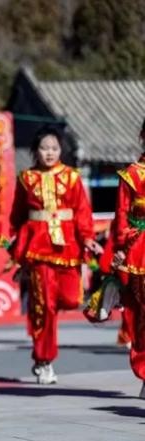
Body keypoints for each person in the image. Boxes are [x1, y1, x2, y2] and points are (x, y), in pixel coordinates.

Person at [9, 125, 100, 384]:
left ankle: (44, 326)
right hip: (38, 248)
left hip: (68, 245)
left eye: (54, 148)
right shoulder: (26, 178)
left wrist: (88, 238)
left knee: (72, 298)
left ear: (61, 150)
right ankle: (44, 359)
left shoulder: (72, 177)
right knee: (44, 305)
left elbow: (82, 211)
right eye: (44, 148)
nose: (49, 153)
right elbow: (17, 214)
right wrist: (14, 240)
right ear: (35, 151)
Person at [109, 118, 145, 397]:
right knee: (141, 312)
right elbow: (122, 215)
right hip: (140, 249)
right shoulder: (132, 175)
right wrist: (122, 245)